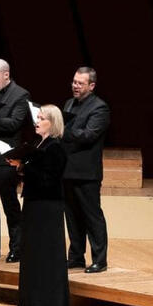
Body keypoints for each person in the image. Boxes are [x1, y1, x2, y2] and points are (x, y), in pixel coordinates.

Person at [10, 104, 71, 306]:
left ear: (52, 123)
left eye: (42, 117)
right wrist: (20, 165)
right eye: (37, 117)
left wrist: (24, 166)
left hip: (47, 207)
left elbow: (48, 179)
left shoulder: (55, 147)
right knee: (32, 253)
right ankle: (29, 303)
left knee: (46, 254)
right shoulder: (38, 144)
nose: (37, 121)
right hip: (34, 204)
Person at [0, 59, 30, 262]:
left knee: (9, 203)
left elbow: (15, 123)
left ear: (6, 75)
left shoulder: (21, 94)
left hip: (7, 156)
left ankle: (16, 248)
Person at [62, 67, 111, 272]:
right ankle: (76, 257)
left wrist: (63, 129)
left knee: (92, 216)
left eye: (80, 83)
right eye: (74, 82)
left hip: (86, 172)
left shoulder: (100, 108)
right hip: (67, 169)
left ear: (91, 86)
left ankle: (100, 259)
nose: (75, 86)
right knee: (72, 216)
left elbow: (89, 135)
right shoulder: (69, 103)